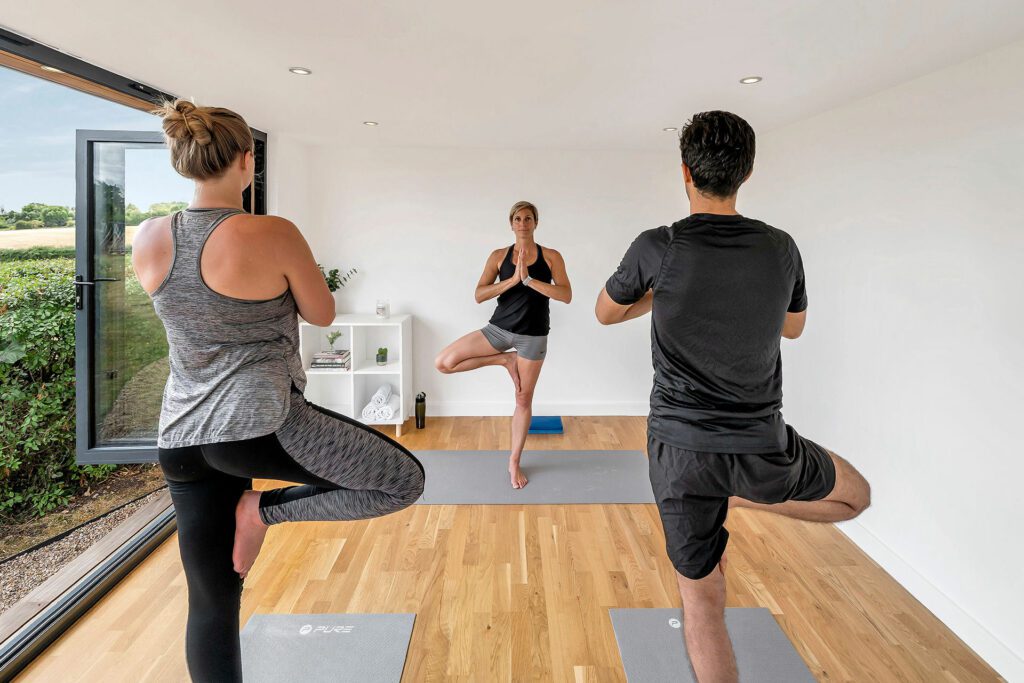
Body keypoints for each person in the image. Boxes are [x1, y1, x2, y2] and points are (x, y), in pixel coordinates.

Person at [133, 100, 425, 682]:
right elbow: (322, 312)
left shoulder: (149, 236)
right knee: (402, 481)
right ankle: (262, 510)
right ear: (247, 162)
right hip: (259, 422)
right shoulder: (271, 232)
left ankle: (254, 511)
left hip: (181, 437)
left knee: (212, 601)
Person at [595, 111, 871, 682]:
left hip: (680, 456)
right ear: (746, 173)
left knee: (701, 602)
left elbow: (606, 312)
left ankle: (730, 500)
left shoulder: (657, 246)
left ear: (685, 174)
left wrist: (661, 295)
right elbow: (792, 329)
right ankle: (743, 496)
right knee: (855, 498)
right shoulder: (781, 247)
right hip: (760, 446)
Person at [435, 201, 572, 488]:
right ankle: (503, 360)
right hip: (498, 331)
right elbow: (479, 294)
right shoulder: (498, 256)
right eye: (518, 218)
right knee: (444, 362)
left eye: (528, 218)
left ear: (536, 223)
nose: (523, 223)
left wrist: (529, 279)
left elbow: (565, 295)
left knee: (523, 399)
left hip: (533, 336)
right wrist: (512, 280)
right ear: (511, 224)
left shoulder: (551, 257)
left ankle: (514, 461)